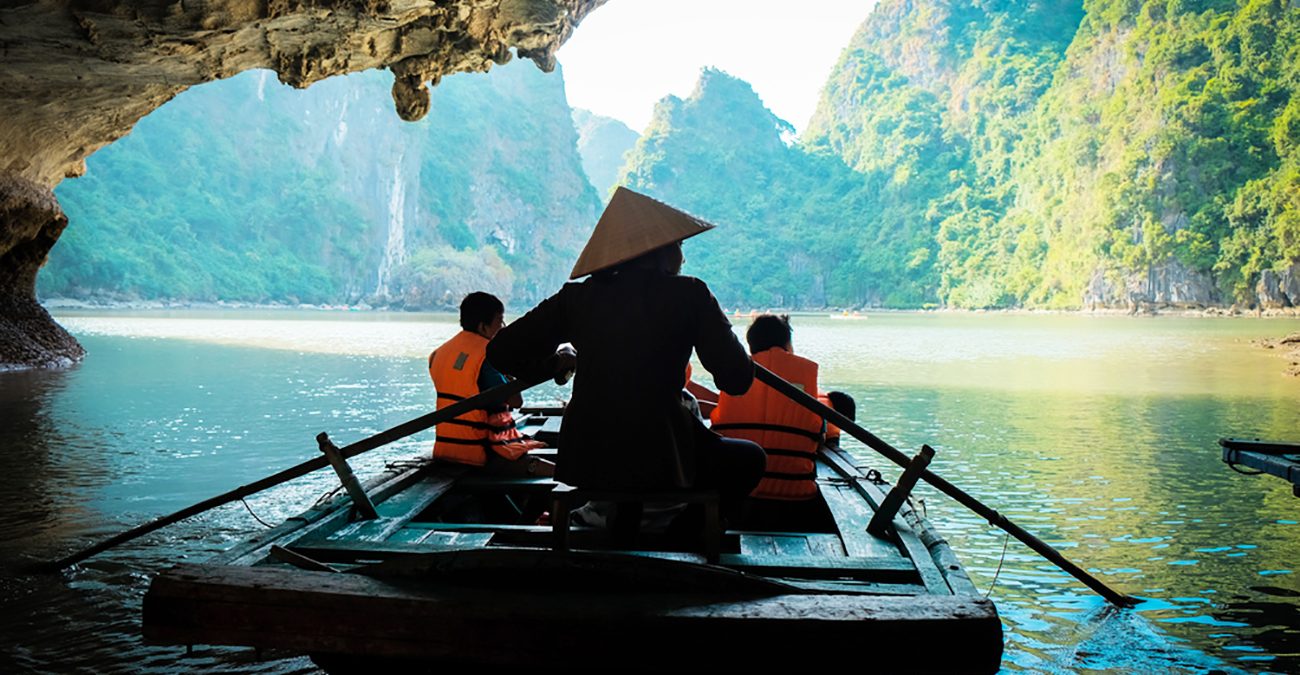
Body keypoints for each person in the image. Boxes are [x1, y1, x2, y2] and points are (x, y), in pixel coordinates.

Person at [486, 187, 765, 524]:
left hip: (587, 460)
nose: (683, 257)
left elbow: (501, 351)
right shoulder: (690, 295)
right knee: (749, 459)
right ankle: (687, 533)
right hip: (661, 457)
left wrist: (554, 363)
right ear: (657, 250)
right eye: (678, 245)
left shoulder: (577, 298)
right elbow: (736, 380)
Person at [711, 314, 826, 501]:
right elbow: (819, 437)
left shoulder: (735, 371)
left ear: (750, 346)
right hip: (795, 492)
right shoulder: (805, 371)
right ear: (788, 344)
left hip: (736, 493)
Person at [428, 291, 544, 467]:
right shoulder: (487, 355)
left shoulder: (438, 354)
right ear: (483, 327)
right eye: (499, 321)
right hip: (483, 451)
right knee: (548, 467)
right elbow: (516, 401)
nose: (503, 327)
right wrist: (511, 370)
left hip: (447, 449)